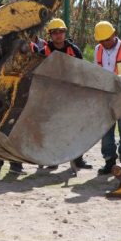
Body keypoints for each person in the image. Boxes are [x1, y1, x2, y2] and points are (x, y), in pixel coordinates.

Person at [37, 18, 93, 171]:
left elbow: (82, 71)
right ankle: (52, 160)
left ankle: (78, 159)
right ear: (50, 35)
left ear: (64, 33)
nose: (58, 35)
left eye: (60, 32)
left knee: (75, 128)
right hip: (51, 96)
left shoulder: (74, 50)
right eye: (54, 32)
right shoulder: (43, 52)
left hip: (72, 95)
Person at [94, 20, 121, 175]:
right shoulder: (98, 49)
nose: (104, 43)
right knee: (106, 130)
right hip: (105, 97)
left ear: (114, 34)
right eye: (101, 40)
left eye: (107, 39)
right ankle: (109, 161)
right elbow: (97, 73)